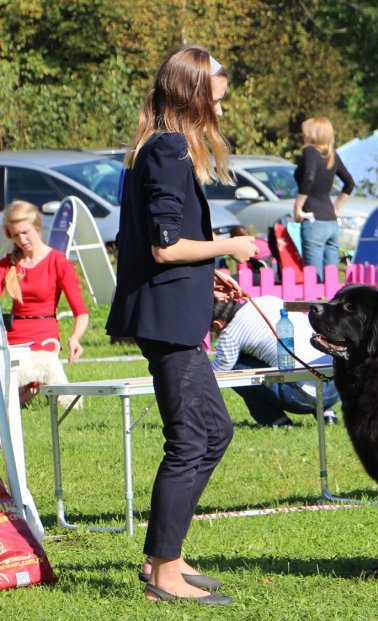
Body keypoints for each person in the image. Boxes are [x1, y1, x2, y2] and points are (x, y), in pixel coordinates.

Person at [105, 45, 257, 606]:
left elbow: (156, 247)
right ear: (195, 91)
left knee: (214, 432)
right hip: (168, 322)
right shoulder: (168, 150)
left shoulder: (161, 147)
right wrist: (231, 247)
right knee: (192, 439)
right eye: (218, 85)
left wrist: (209, 276)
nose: (224, 94)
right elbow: (166, 247)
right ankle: (163, 573)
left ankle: (167, 554)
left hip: (175, 308)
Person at [0, 200, 89, 403]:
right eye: (15, 235)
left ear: (37, 227)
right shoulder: (7, 264)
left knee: (19, 389)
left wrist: (75, 338)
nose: (22, 239)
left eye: (26, 232)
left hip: (44, 335)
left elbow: (81, 312)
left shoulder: (58, 262)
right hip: (14, 336)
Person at [210, 295, 339, 427]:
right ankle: (327, 413)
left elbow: (218, 372)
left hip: (303, 397)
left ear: (217, 324)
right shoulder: (268, 299)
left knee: (235, 367)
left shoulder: (230, 333)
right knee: (299, 357)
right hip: (337, 383)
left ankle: (276, 420)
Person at [293, 116, 355, 282]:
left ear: (312, 134)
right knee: (331, 279)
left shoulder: (310, 151)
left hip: (314, 222)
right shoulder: (332, 154)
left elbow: (309, 177)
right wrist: (336, 207)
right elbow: (349, 183)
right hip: (331, 222)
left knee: (313, 279)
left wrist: (298, 206)